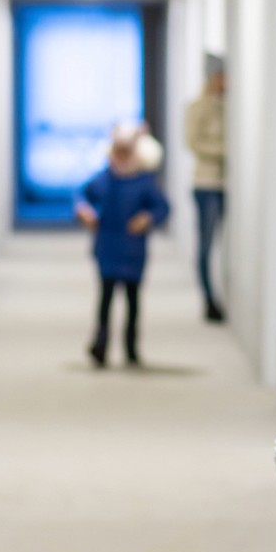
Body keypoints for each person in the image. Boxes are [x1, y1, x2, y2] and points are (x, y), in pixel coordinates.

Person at [75, 123, 169, 368]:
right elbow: (82, 196)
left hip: (133, 251)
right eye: (118, 150)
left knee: (132, 302)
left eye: (126, 151)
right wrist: (84, 211)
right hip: (107, 247)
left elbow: (162, 207)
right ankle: (101, 345)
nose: (122, 156)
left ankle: (131, 349)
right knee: (105, 301)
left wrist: (147, 218)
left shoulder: (145, 181)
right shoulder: (104, 179)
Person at [185, 53, 226, 321]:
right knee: (206, 244)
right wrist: (225, 151)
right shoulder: (198, 107)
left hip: (225, 183)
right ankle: (208, 297)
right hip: (206, 182)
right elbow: (193, 142)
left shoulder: (228, 106)